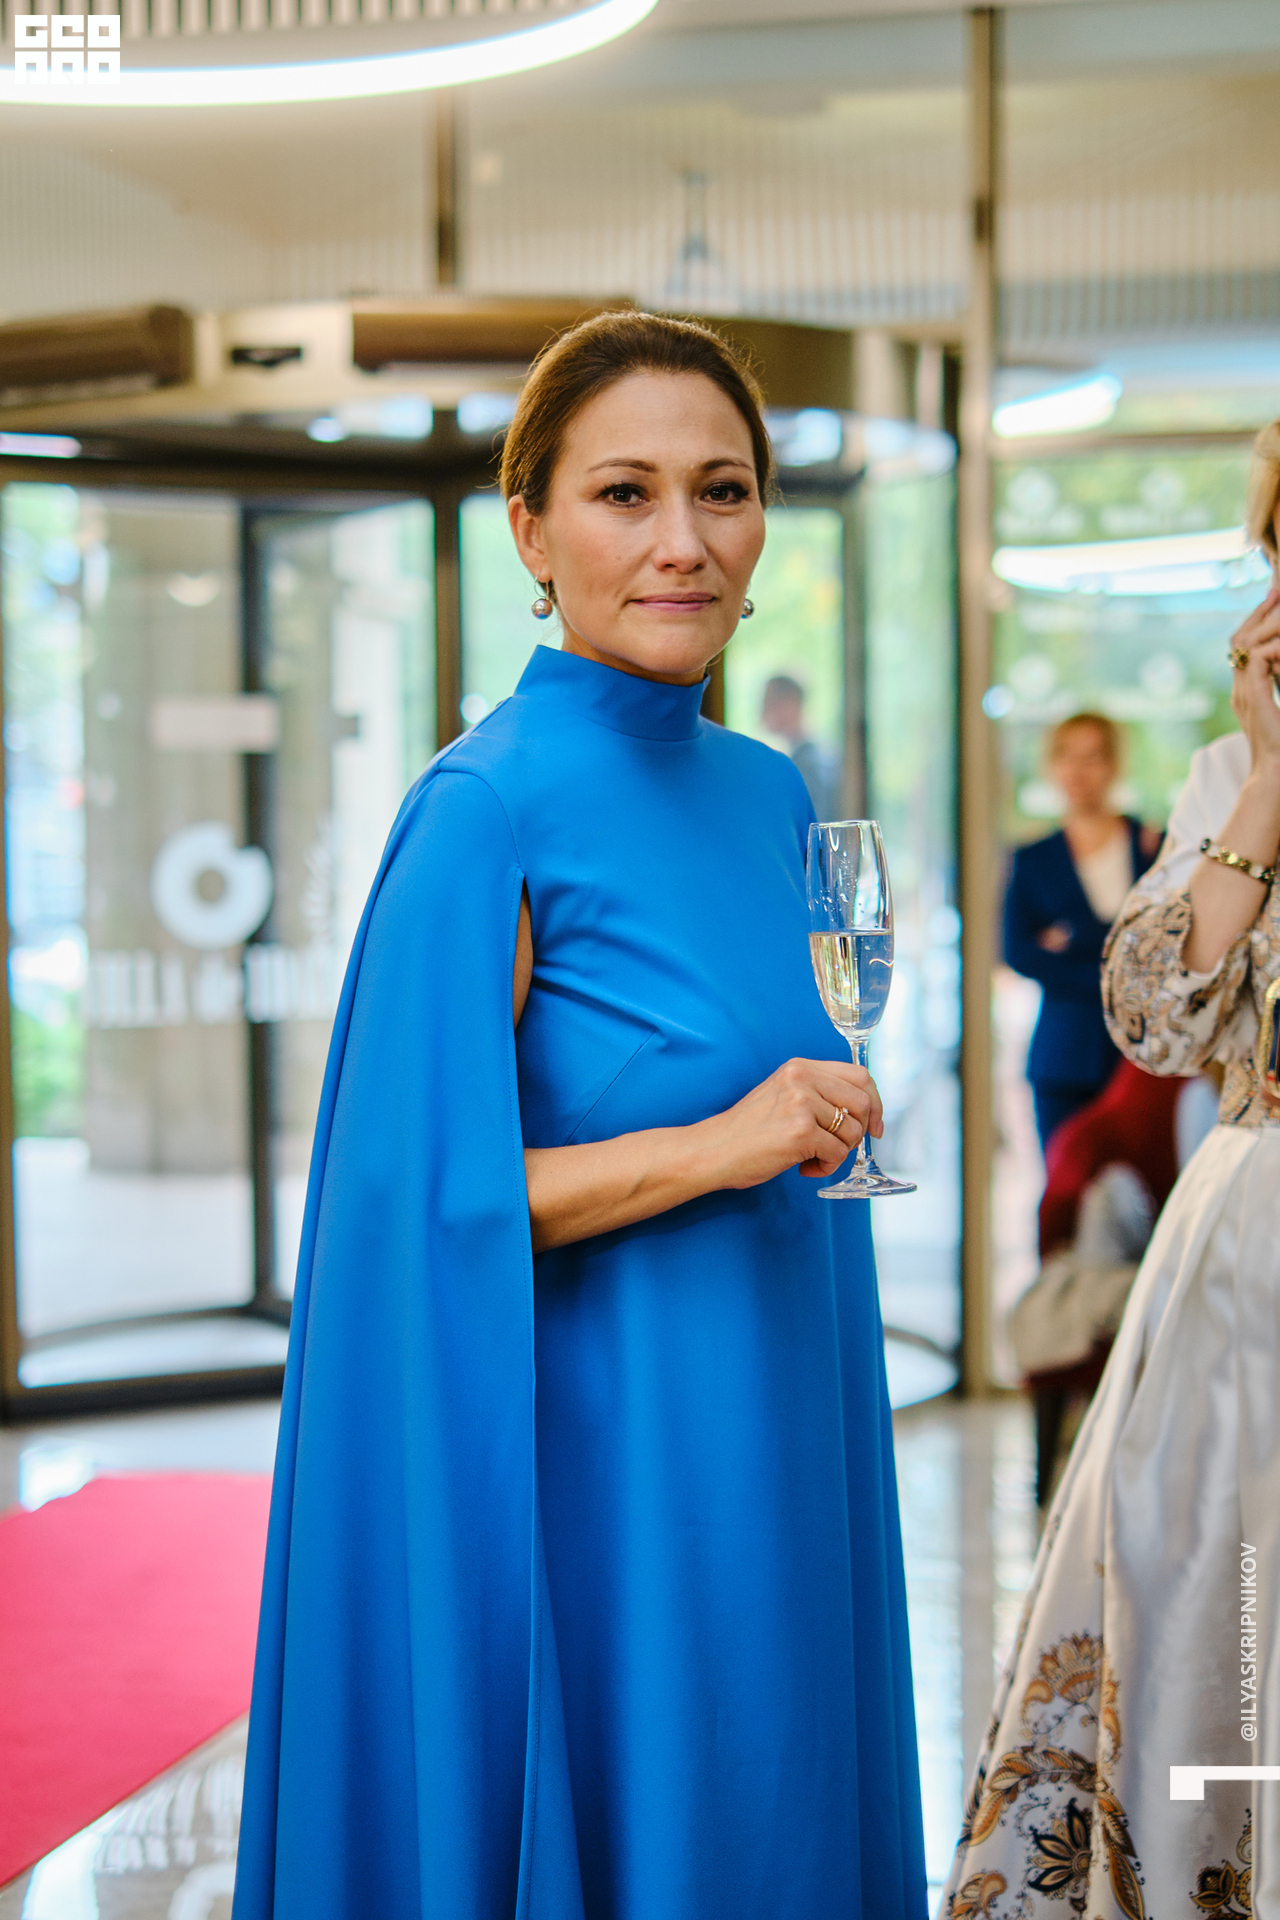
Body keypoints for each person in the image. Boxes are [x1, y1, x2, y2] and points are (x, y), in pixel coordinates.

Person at [233, 312, 928, 1920]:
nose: (686, 541)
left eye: (724, 490)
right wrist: (721, 1145)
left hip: (785, 1412)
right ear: (531, 533)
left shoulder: (768, 790)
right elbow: (414, 1209)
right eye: (627, 493)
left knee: (780, 1794)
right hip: (613, 1466)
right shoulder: (483, 809)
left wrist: (810, 1114)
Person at [943, 418, 1280, 1914]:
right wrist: (1267, 783)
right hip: (1251, 1247)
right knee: (1215, 1611)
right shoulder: (1222, 778)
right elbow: (1151, 1015)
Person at [1004, 713, 1160, 1150]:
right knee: (1063, 1180)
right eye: (1067, 757)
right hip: (1064, 1054)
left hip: (1142, 1055)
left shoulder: (1152, 846)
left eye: (1092, 757)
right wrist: (1117, 966)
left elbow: (1165, 947)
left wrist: (1072, 940)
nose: (1078, 771)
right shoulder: (1034, 858)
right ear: (1052, 766)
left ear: (1114, 765)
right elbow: (1019, 952)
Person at [761, 672, 839, 821]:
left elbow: (812, 824)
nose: (762, 711)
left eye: (770, 702)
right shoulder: (805, 757)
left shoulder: (806, 762)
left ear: (792, 703)